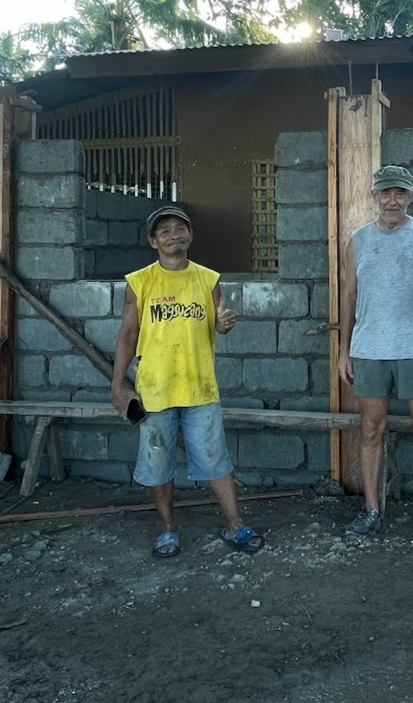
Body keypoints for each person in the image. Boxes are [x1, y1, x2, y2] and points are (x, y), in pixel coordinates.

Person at [111, 206, 265, 559]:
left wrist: (224, 324)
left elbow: (220, 325)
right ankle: (169, 529)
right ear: (153, 241)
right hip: (155, 391)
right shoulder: (140, 282)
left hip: (200, 389)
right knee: (158, 466)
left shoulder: (208, 279)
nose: (174, 235)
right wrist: (118, 385)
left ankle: (235, 525)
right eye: (164, 231)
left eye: (180, 229)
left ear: (191, 236)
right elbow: (128, 335)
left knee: (216, 460)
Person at [337, 165, 413, 542]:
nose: (393, 201)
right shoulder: (358, 240)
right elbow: (348, 296)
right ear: (374, 196)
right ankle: (371, 509)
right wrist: (344, 349)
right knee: (371, 428)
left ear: (410, 197)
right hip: (370, 348)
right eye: (386, 193)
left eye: (400, 193)